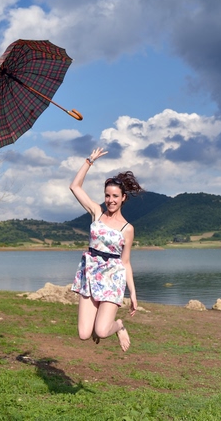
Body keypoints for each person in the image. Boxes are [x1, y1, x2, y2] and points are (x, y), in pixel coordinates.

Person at [70, 147, 144, 352]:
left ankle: (119, 325)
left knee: (102, 331)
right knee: (84, 334)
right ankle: (102, 325)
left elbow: (125, 262)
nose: (110, 200)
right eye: (107, 195)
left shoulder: (127, 229)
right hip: (90, 275)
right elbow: (75, 187)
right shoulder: (97, 213)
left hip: (112, 279)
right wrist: (89, 161)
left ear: (123, 198)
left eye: (115, 196)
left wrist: (133, 293)